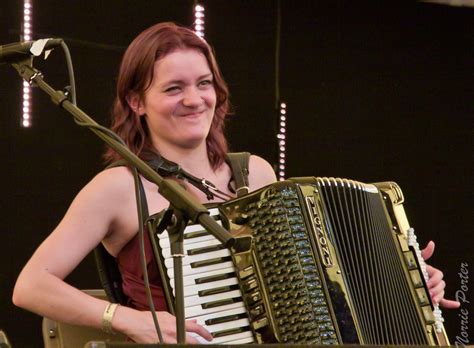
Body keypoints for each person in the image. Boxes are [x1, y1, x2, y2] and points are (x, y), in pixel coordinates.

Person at [12, 22, 459, 344]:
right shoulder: (116, 188)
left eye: (204, 83)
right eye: (173, 88)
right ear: (136, 101)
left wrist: (402, 283)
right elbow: (31, 285)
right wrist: (128, 321)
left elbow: (310, 283)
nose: (194, 99)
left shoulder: (256, 173)